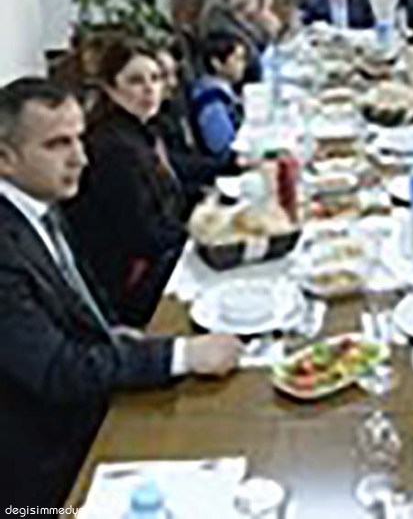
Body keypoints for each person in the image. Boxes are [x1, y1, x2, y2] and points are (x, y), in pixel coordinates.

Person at [0, 78, 242, 508]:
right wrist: (181, 356)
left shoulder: (38, 204)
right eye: (57, 144)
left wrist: (113, 329)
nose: (80, 157)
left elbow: (78, 294)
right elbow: (57, 371)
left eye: (78, 139)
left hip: (93, 389)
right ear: (5, 159)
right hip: (51, 465)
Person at [65, 39, 187, 327]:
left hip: (153, 257)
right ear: (110, 88)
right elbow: (144, 238)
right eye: (135, 81)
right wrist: (200, 234)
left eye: (155, 78)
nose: (149, 89)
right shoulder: (115, 149)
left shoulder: (137, 130)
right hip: (133, 286)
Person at [153, 44, 221, 213]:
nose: (173, 83)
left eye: (174, 74)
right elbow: (177, 165)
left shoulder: (175, 106)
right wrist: (222, 167)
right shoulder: (149, 126)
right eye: (163, 76)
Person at [190, 31, 248, 161]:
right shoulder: (211, 101)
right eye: (237, 59)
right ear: (216, 63)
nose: (243, 65)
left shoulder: (226, 93)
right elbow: (222, 147)